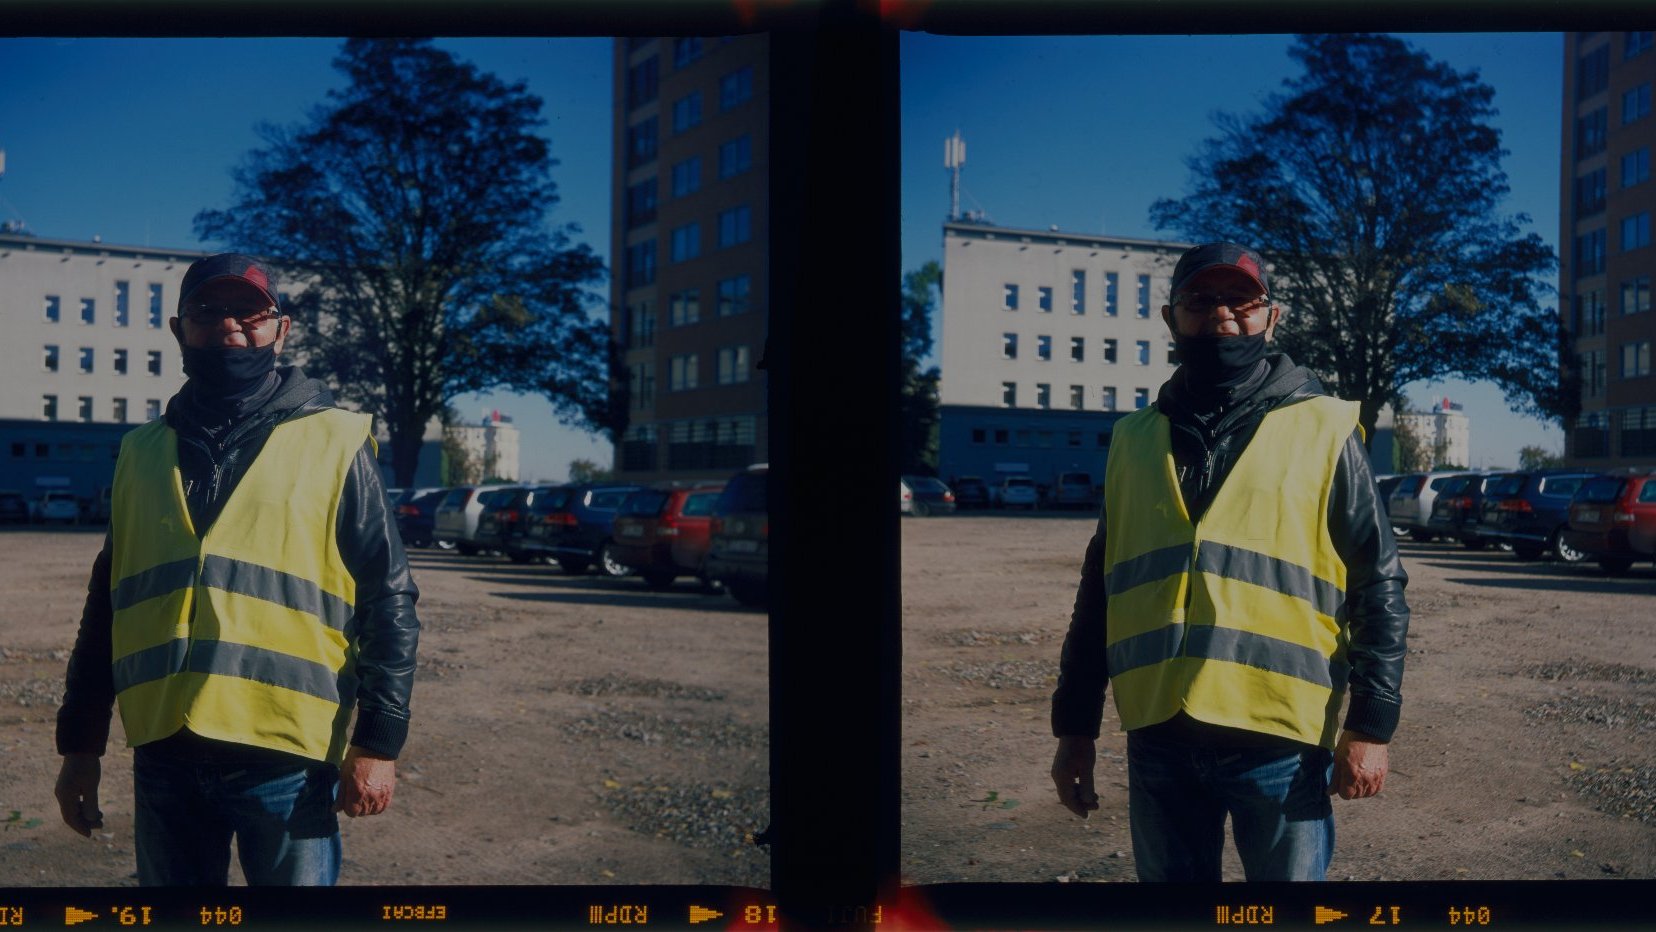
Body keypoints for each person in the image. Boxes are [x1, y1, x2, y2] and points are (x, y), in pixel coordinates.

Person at [53, 253, 420, 886]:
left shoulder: (335, 442)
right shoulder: (140, 453)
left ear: (282, 330)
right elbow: (107, 607)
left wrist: (379, 742)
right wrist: (80, 748)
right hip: (166, 752)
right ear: (178, 330)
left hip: (286, 760)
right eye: (207, 311)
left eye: (250, 313)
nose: (230, 326)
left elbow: (389, 601)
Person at [1049, 242, 1409, 882]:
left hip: (1280, 744)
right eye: (1201, 299)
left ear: (1271, 318)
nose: (1222, 314)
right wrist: (1075, 727)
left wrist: (1372, 726)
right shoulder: (1133, 441)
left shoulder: (1326, 430)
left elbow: (1378, 585)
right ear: (1170, 318)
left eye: (1241, 300)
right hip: (1160, 737)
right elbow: (1099, 594)